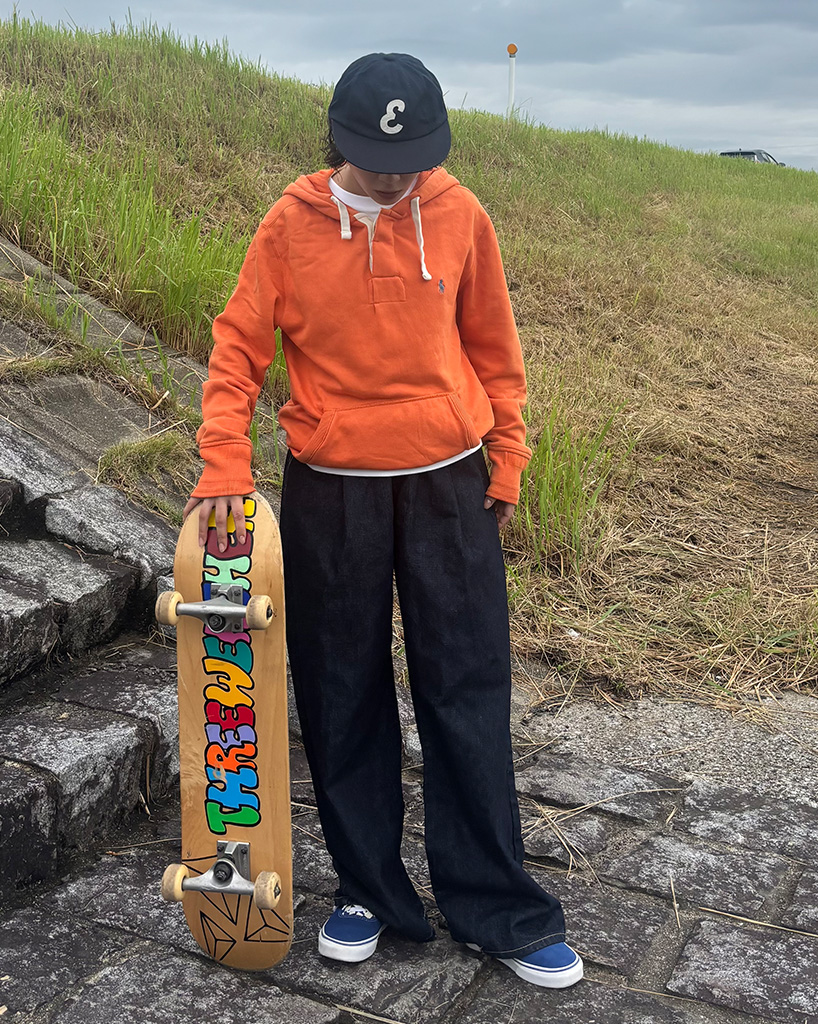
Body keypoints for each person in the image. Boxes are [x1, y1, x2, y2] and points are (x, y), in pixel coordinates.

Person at [184, 52, 583, 990]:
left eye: (415, 161)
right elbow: (237, 349)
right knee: (340, 688)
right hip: (332, 488)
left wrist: (509, 453)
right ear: (340, 141)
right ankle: (368, 890)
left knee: (467, 685)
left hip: (449, 483)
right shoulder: (289, 225)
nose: (400, 179)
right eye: (380, 162)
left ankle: (498, 907)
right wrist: (223, 462)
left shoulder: (461, 213)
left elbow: (494, 344)